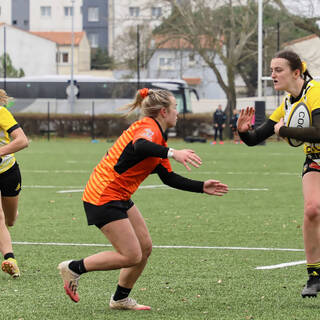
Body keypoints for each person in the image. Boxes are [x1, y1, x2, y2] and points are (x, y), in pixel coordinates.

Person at [58, 88, 229, 310]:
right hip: (103, 194)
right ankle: (74, 268)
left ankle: (120, 298)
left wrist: (201, 187)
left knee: (144, 248)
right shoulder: (148, 127)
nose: (177, 112)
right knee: (131, 255)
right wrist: (173, 153)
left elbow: (168, 178)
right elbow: (139, 145)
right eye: (175, 108)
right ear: (163, 111)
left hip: (118, 194)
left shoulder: (158, 137)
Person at [237, 50, 320, 298]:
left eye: (278, 70)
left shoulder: (315, 92)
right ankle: (315, 276)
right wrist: (243, 131)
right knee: (312, 209)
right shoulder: (287, 103)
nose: (272, 75)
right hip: (315, 159)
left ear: (296, 72)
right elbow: (255, 139)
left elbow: (319, 131)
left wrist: (285, 130)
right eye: (271, 70)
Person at [0, 89, 29, 278]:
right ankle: (10, 259)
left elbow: (22, 141)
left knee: (10, 220)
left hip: (8, 171)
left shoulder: (1, 112)